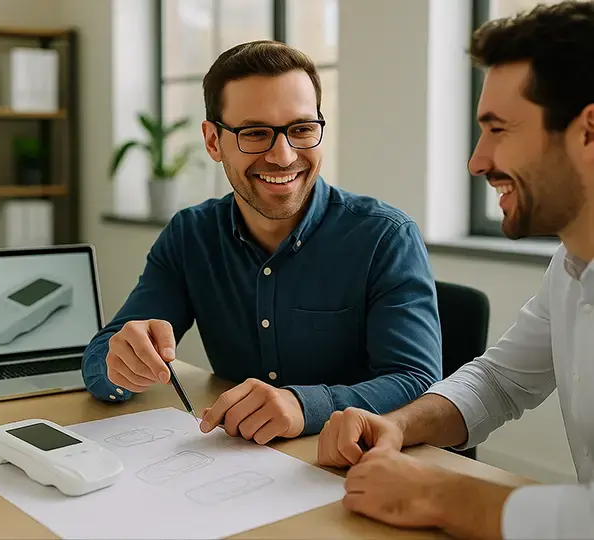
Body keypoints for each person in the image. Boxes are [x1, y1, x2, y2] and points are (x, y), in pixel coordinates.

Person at [317, 2, 594, 539]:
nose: (477, 161)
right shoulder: (571, 264)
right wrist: (396, 425)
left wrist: (441, 494)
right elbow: (499, 381)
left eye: (499, 129)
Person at [82, 40, 442, 445]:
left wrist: (304, 406)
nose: (284, 156)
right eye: (255, 133)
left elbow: (417, 382)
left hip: (354, 465)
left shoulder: (385, 237)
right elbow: (101, 357)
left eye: (302, 129)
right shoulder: (190, 235)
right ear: (213, 141)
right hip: (237, 464)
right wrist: (118, 366)